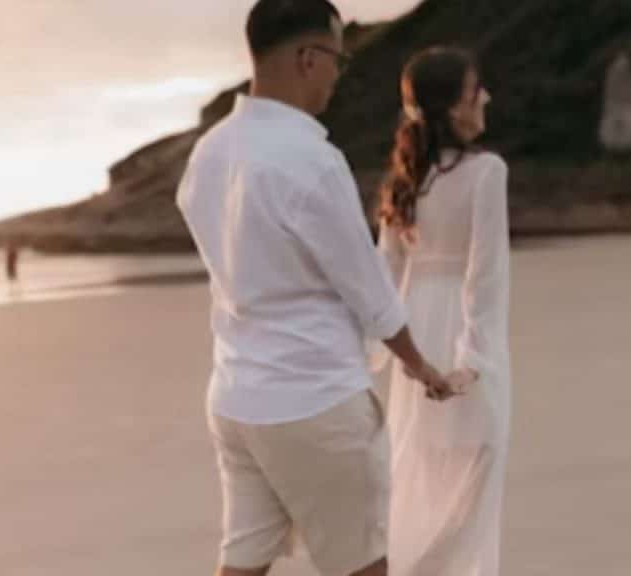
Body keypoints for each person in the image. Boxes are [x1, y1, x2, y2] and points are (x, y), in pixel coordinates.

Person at [175, 2, 453, 576]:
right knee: (362, 565)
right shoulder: (311, 160)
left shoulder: (209, 153)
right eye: (337, 60)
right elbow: (368, 288)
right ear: (307, 58)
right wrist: (419, 364)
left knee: (243, 561)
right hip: (314, 401)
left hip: (236, 397)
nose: (337, 75)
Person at [374, 46, 512, 576]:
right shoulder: (487, 172)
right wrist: (474, 360)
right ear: (455, 106)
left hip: (413, 335)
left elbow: (381, 279)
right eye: (477, 90)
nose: (487, 98)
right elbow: (485, 273)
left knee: (423, 473)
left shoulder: (403, 181)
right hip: (462, 334)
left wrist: (375, 356)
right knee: (475, 473)